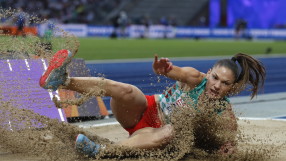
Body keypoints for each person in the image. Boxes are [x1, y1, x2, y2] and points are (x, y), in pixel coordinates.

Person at [39, 49, 266, 157]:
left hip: (156, 135)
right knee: (128, 90)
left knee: (169, 130)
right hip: (143, 111)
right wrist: (164, 70)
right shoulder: (195, 78)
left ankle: (103, 152)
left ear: (232, 88)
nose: (216, 86)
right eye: (215, 78)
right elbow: (174, 71)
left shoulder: (223, 112)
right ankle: (63, 80)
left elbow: (227, 144)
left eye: (225, 83)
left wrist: (226, 149)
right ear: (209, 73)